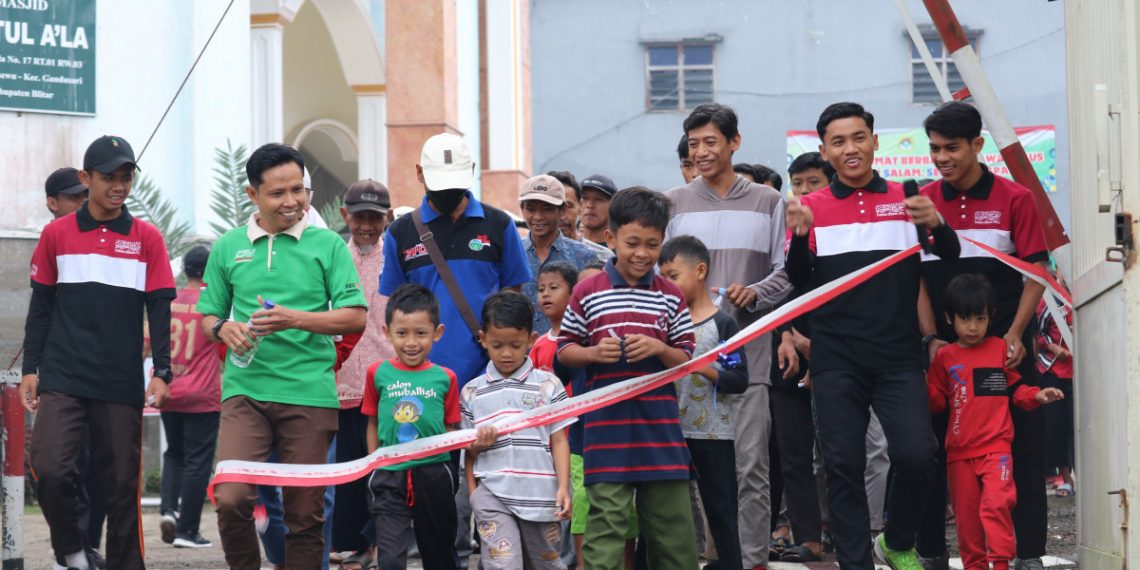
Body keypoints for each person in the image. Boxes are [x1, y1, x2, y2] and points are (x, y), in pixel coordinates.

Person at [784, 102, 960, 570]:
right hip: (835, 356)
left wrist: (935, 223)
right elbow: (800, 279)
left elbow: (949, 254)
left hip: (899, 354)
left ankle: (896, 541)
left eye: (859, 137)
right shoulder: (811, 207)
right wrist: (799, 237)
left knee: (918, 454)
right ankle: (856, 563)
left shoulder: (908, 196)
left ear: (875, 142)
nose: (851, 149)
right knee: (842, 464)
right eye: (838, 141)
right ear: (825, 151)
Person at [202, 143, 367, 570]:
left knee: (305, 511)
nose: (292, 201)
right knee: (231, 496)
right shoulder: (227, 247)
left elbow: (354, 318)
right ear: (252, 194)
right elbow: (208, 316)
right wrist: (224, 328)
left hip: (309, 394)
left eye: (299, 189)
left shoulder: (329, 245)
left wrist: (294, 319)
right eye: (278, 193)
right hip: (245, 392)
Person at [21, 135, 176, 570]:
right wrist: (31, 367)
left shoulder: (147, 237)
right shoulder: (56, 235)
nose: (119, 186)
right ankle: (72, 552)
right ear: (86, 179)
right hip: (63, 375)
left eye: (126, 177)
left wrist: (162, 372)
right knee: (49, 467)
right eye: (109, 177)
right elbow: (41, 308)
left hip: (119, 380)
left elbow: (160, 308)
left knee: (121, 489)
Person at [379, 133, 532, 566]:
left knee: (489, 484)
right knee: (434, 490)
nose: (447, 194)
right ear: (419, 175)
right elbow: (395, 308)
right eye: (437, 183)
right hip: (422, 387)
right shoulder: (402, 232)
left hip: (489, 382)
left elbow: (514, 302)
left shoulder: (499, 226)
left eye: (455, 183)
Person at [915, 101, 1051, 570]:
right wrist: (932, 339)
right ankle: (933, 551)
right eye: (934, 149)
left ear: (977, 144)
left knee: (1021, 447)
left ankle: (1028, 552)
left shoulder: (1016, 198)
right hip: (944, 356)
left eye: (951, 148)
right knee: (936, 448)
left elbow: (1037, 269)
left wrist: (1015, 334)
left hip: (1004, 352)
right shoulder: (924, 202)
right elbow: (915, 277)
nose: (942, 158)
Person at [665, 102, 791, 569]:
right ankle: (714, 557)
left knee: (751, 469)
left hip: (749, 359)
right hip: (685, 360)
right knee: (697, 471)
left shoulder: (768, 202)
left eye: (710, 141)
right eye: (694, 143)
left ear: (734, 143)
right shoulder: (674, 203)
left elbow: (787, 274)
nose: (701, 151)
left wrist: (754, 293)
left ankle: (753, 560)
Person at [558, 187, 699, 570]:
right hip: (606, 431)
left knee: (673, 528)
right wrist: (591, 353)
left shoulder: (670, 295)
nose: (642, 253)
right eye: (632, 242)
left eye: (652, 244)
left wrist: (658, 348)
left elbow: (686, 355)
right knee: (606, 527)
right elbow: (564, 350)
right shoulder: (588, 292)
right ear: (611, 238)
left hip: (661, 429)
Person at [926, 274, 1064, 570]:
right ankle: (974, 565)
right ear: (949, 319)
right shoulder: (944, 358)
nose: (973, 326)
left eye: (980, 318)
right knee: (967, 519)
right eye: (965, 318)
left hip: (997, 449)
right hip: (959, 455)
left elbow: (1015, 387)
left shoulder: (999, 350)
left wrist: (1036, 395)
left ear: (992, 317)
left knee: (996, 503)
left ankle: (1000, 562)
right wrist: (918, 388)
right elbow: (936, 401)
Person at [461, 291, 574, 569]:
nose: (507, 353)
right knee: (504, 564)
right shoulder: (473, 392)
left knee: (546, 563)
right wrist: (475, 492)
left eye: (515, 344)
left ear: (531, 340)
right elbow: (466, 449)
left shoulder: (548, 386)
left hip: (540, 496)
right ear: (483, 339)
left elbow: (559, 439)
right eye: (497, 345)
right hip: (492, 495)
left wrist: (563, 486)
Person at [658, 235, 749, 570]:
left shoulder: (723, 324)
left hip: (713, 433)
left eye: (673, 275)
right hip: (669, 431)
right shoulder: (665, 324)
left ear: (700, 271)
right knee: (664, 509)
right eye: (663, 277)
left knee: (721, 509)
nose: (667, 284)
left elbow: (738, 379)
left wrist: (706, 369)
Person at [363, 283, 461, 570]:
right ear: (386, 332)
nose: (411, 342)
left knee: (438, 553)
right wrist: (374, 462)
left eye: (421, 333)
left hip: (435, 475)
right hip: (388, 476)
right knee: (391, 559)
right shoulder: (377, 373)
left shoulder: (446, 378)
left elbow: (451, 428)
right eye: (402, 333)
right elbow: (372, 422)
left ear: (437, 333)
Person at [332, 179, 399, 570]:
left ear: (387, 218)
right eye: (360, 217)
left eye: (375, 217)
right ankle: (347, 543)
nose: (367, 226)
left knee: (383, 468)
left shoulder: (398, 258)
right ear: (346, 216)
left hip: (386, 381)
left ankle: (379, 544)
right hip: (341, 382)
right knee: (348, 470)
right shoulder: (333, 256)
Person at [156, 245, 221, 549]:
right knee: (198, 462)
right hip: (203, 394)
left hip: (169, 391)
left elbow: (147, 340)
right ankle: (187, 530)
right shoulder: (212, 304)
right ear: (210, 271)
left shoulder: (169, 302)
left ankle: (168, 509)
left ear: (185, 269)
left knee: (174, 454)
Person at [518, 174, 598, 334]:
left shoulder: (584, 257)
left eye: (547, 209)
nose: (538, 217)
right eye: (531, 209)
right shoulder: (511, 254)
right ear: (522, 209)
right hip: (522, 356)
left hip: (569, 352)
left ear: (562, 210)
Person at [1036, 271, 1073, 497]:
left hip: (1082, 371)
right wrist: (1052, 347)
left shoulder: (1085, 293)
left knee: (1079, 428)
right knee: (1057, 428)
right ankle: (1065, 478)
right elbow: (1036, 333)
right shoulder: (1048, 299)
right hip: (1054, 371)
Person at [576, 174, 618, 256]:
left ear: (612, 206)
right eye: (584, 198)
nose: (590, 205)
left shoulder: (618, 254)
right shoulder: (561, 246)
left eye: (598, 199)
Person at [547, 170, 583, 242]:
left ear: (580, 206)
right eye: (552, 207)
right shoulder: (522, 252)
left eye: (568, 206)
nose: (561, 216)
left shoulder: (596, 253)